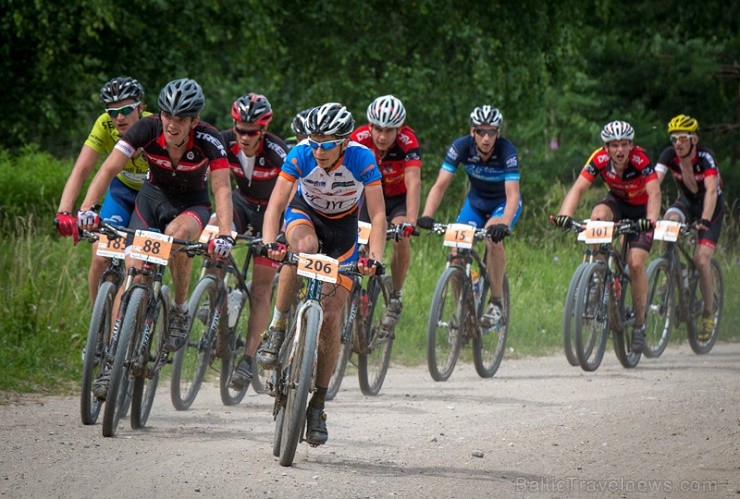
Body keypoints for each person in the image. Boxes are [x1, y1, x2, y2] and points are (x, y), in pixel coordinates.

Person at [77, 78, 234, 399]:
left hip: (191, 205)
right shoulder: (146, 128)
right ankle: (111, 359)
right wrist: (87, 209)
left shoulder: (210, 139)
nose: (172, 125)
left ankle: (178, 309)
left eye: (181, 119)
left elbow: (221, 189)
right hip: (151, 199)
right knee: (133, 268)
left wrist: (226, 234)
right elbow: (107, 170)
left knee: (176, 239)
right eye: (167, 116)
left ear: (194, 121)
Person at [257, 102, 386, 446]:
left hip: (344, 230)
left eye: (326, 144)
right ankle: (278, 325)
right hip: (306, 215)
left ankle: (317, 404)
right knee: (301, 250)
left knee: (331, 316)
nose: (319, 150)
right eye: (314, 142)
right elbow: (276, 205)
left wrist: (373, 258)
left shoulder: (362, 159)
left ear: (343, 142)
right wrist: (270, 243)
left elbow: (378, 216)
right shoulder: (300, 155)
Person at [553, 120, 661, 353]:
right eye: (614, 145)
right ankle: (597, 277)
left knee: (635, 263)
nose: (619, 150)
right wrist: (565, 215)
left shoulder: (640, 160)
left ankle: (640, 324)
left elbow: (654, 191)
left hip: (642, 211)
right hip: (618, 203)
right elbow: (579, 187)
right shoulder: (599, 159)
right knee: (597, 216)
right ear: (606, 148)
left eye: (624, 145)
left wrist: (650, 220)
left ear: (631, 145)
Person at [418, 105, 522, 330]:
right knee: (456, 250)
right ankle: (463, 311)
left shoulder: (507, 151)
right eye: (480, 132)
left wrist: (504, 223)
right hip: (475, 203)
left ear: (498, 133)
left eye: (491, 132)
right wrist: (427, 214)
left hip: (502, 204)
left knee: (493, 239)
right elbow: (440, 185)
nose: (486, 138)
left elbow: (513, 194)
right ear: (472, 131)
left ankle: (496, 303)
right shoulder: (461, 147)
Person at [54, 76, 150, 306]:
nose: (119, 117)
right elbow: (82, 169)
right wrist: (64, 211)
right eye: (112, 111)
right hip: (122, 191)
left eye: (126, 109)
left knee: (141, 266)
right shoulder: (104, 125)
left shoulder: (156, 125)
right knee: (99, 257)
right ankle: (97, 327)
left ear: (141, 107)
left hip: (150, 196)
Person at [216, 93, 288, 390]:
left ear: (263, 130)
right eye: (239, 129)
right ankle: (213, 293)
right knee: (214, 241)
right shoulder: (223, 141)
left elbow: (294, 194)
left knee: (260, 290)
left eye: (251, 132)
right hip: (241, 205)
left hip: (271, 214)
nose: (244, 137)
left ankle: (247, 359)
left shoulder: (277, 151)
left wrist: (283, 235)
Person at [350, 95, 421, 328]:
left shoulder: (407, 142)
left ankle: (396, 295)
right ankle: (356, 294)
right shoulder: (358, 139)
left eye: (389, 131)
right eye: (377, 129)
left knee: (401, 238)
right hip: (368, 198)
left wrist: (410, 221)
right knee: (359, 240)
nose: (382, 136)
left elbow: (413, 182)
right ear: (369, 125)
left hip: (396, 200)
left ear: (398, 129)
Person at [654, 114, 724, 341]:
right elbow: (654, 182)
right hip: (686, 202)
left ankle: (707, 313)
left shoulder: (705, 157)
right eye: (674, 138)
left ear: (694, 139)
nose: (677, 143)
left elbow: (712, 191)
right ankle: (670, 264)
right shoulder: (669, 155)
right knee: (669, 220)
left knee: (701, 260)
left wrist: (704, 220)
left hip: (710, 208)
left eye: (682, 138)